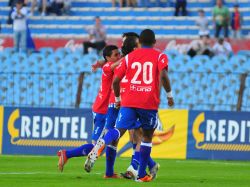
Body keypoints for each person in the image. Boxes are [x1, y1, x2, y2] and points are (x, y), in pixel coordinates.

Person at [84, 29, 174, 182]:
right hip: (147, 102)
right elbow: (164, 75)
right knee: (144, 137)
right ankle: (139, 174)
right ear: (154, 42)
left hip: (128, 100)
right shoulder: (159, 55)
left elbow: (116, 80)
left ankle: (104, 146)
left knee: (121, 132)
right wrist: (169, 95)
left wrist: (118, 98)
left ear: (139, 42)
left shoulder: (129, 57)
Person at [57, 45, 121, 172]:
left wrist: (98, 63)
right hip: (102, 110)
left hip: (104, 109)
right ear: (108, 58)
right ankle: (67, 154)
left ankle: (109, 173)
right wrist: (131, 57)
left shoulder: (109, 64)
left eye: (119, 54)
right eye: (116, 55)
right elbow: (115, 64)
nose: (119, 56)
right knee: (97, 145)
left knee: (104, 142)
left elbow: (115, 62)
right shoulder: (109, 67)